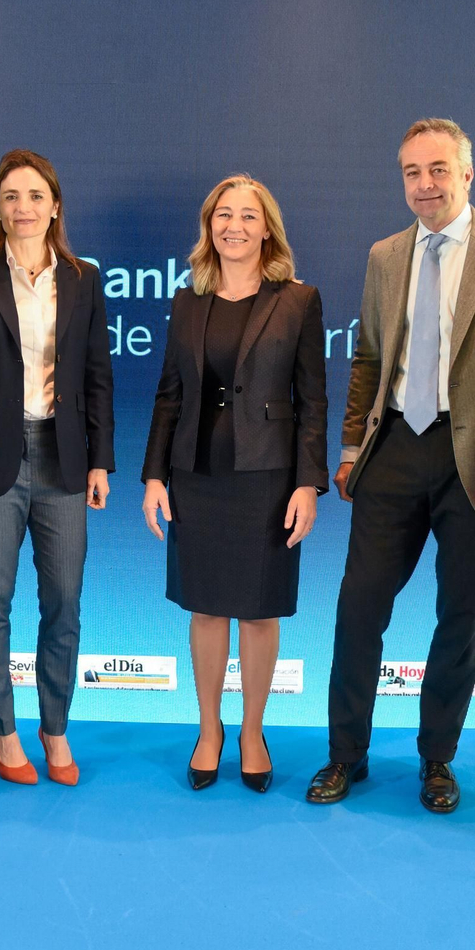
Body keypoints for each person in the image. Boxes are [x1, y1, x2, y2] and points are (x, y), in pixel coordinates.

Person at [307, 118, 475, 813]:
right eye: (412, 172)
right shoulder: (386, 255)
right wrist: (354, 447)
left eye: (438, 169)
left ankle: (438, 760)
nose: (425, 184)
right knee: (359, 609)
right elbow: (366, 359)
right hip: (394, 452)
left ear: (467, 174)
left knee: (460, 615)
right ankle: (344, 756)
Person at [142, 175, 328, 793]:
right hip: (197, 474)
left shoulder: (298, 299)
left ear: (267, 227)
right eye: (224, 215)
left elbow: (313, 401)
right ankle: (209, 729)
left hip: (269, 478)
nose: (235, 227)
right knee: (205, 607)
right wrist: (153, 476)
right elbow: (169, 395)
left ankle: (252, 730)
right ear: (209, 225)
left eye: (249, 216)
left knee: (257, 611)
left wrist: (308, 485)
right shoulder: (188, 299)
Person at [0, 149, 115, 786]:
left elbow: (97, 377)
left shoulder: (83, 278)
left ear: (55, 205)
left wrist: (101, 462)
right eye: (12, 196)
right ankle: (3, 731)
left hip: (65, 461)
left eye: (36, 195)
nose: (24, 208)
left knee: (63, 603)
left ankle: (55, 729)